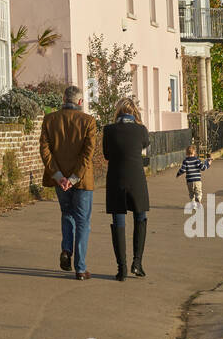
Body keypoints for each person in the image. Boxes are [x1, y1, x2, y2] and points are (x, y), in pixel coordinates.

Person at [40, 85, 98, 280]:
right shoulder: (88, 121)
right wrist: (73, 178)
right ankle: (80, 268)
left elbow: (45, 151)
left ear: (63, 99)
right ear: (80, 102)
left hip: (60, 180)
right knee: (83, 221)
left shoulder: (50, 120)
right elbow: (87, 154)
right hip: (81, 181)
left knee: (67, 214)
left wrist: (59, 176)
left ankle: (66, 249)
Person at [102, 97, 150, 281]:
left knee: (119, 221)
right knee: (140, 217)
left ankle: (121, 268)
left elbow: (106, 155)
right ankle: (137, 264)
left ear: (118, 112)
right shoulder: (141, 130)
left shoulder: (109, 130)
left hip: (116, 179)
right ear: (134, 112)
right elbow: (145, 145)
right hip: (137, 179)